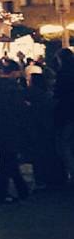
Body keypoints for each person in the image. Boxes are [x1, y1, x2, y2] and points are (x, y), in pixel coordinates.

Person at [0, 58, 29, 204]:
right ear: (14, 72)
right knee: (8, 162)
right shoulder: (10, 88)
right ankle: (2, 194)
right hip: (10, 129)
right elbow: (17, 109)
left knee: (8, 160)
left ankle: (22, 190)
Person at [53, 47, 74, 184]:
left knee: (63, 144)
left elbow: (58, 95)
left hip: (66, 113)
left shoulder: (62, 74)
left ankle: (71, 172)